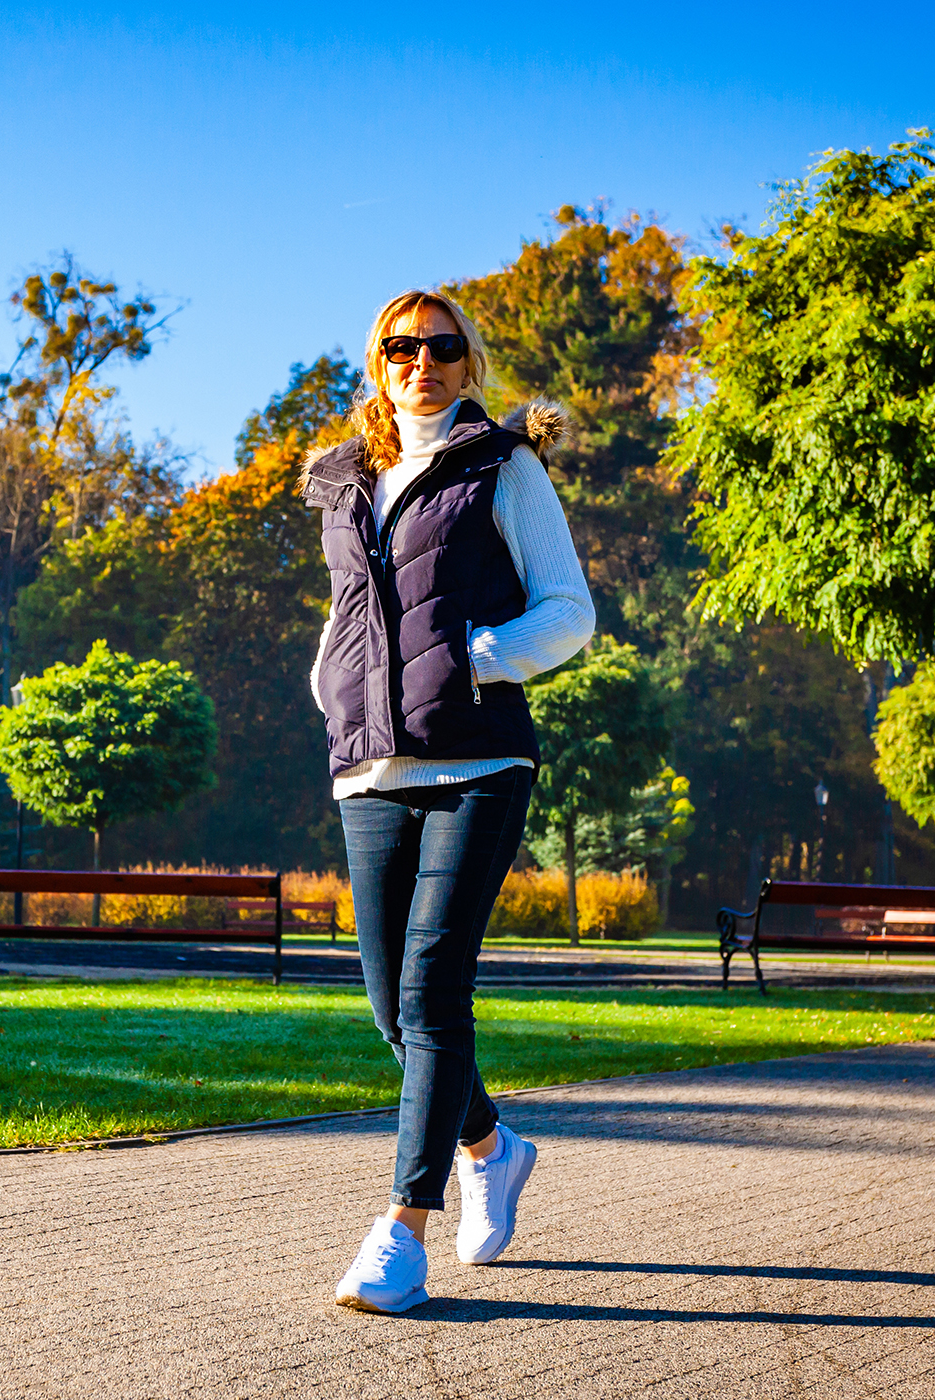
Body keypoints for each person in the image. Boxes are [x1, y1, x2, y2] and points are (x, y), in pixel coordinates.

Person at [301, 288, 593, 1313]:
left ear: (470, 364)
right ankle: (492, 1143)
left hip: (477, 763)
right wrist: (330, 685)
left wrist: (484, 655)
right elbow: (349, 615)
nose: (420, 360)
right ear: (376, 363)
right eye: (400, 346)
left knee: (430, 989)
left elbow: (570, 609)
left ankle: (401, 1232)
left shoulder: (501, 468)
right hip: (372, 769)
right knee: (392, 1008)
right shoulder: (347, 483)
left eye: (441, 346)